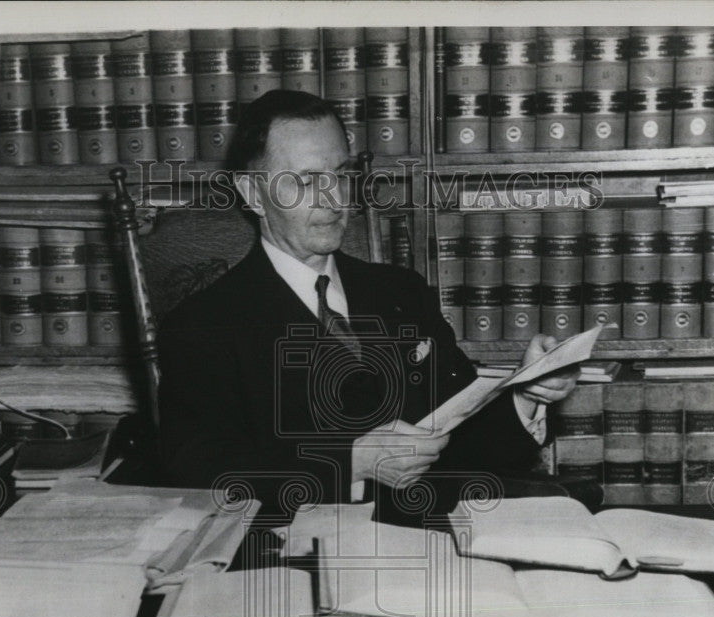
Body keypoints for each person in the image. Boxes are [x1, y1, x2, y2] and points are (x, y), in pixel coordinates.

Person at [157, 90, 578, 519]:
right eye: (305, 181)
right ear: (251, 193)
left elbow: (462, 437)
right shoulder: (201, 326)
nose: (334, 198)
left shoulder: (401, 293)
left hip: (431, 544)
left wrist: (525, 394)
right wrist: (350, 464)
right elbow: (202, 475)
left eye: (340, 174)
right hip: (292, 559)